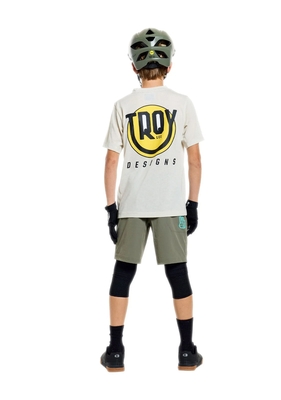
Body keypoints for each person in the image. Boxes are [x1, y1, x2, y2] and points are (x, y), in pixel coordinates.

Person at [100, 28, 204, 372]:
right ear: (169, 66)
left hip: (131, 205)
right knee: (178, 273)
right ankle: (186, 350)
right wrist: (192, 205)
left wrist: (111, 209)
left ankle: (115, 350)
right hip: (171, 205)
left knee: (123, 273)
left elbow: (112, 161)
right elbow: (194, 160)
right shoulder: (182, 103)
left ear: (134, 67)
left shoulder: (122, 106)